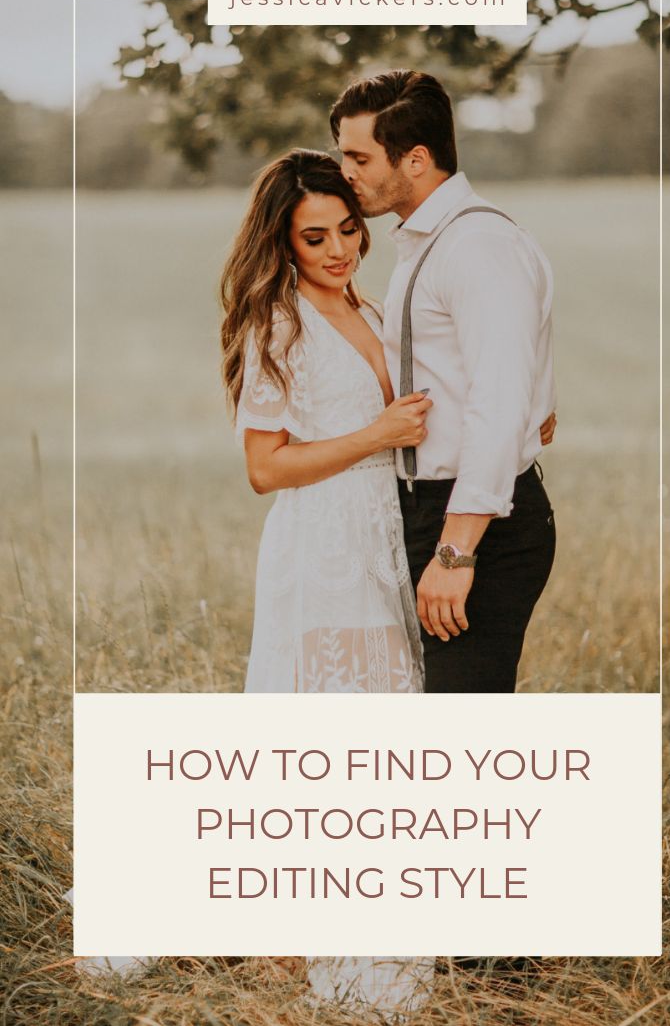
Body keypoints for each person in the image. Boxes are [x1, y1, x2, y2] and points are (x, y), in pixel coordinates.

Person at [220, 147, 434, 1014]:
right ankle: (302, 952)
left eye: (349, 229)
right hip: (322, 552)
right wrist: (377, 435)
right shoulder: (277, 323)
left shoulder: (367, 306)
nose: (339, 248)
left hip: (384, 543)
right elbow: (265, 469)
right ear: (284, 240)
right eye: (316, 237)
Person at [329, 70, 557, 696]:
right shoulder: (432, 242)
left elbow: (500, 399)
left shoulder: (478, 244)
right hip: (433, 508)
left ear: (417, 159)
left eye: (358, 157)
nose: (344, 171)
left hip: (478, 524)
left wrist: (455, 554)